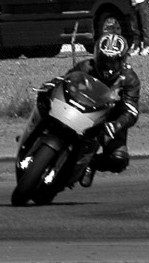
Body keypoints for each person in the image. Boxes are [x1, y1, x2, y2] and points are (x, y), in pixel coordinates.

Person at [37, 33, 141, 187]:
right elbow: (66, 81)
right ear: (97, 57)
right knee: (45, 103)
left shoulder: (130, 79)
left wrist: (116, 125)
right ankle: (38, 135)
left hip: (109, 119)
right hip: (80, 109)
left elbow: (131, 111)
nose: (109, 67)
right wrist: (52, 85)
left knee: (119, 159)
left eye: (114, 62)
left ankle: (91, 163)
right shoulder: (86, 67)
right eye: (105, 61)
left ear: (123, 60)